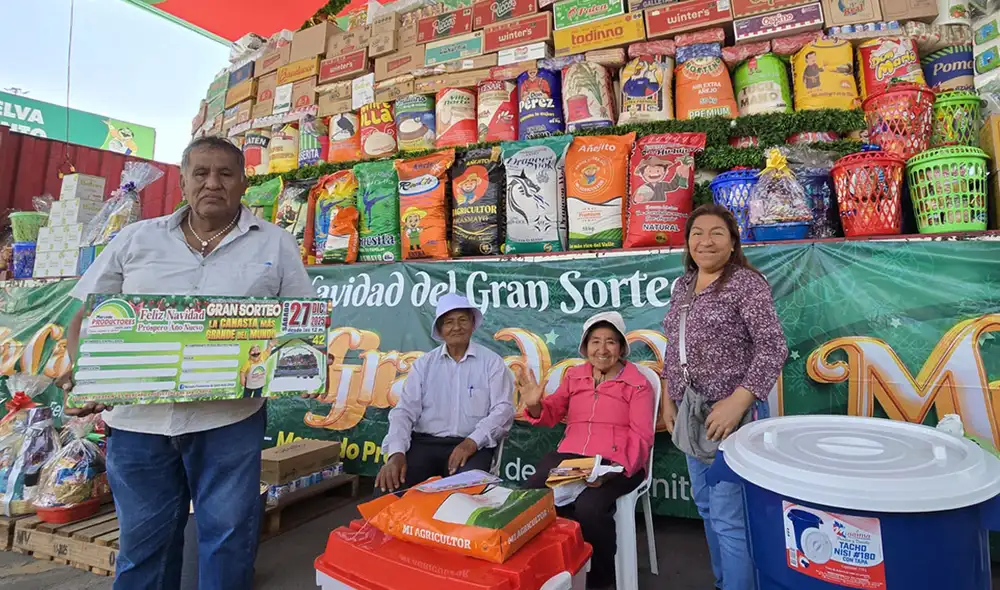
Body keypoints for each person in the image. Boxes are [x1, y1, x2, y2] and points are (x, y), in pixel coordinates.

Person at [59, 136, 316, 590]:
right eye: (201, 173)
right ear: (182, 181)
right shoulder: (137, 238)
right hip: (138, 427)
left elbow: (301, 325)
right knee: (142, 547)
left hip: (230, 424)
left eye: (225, 174)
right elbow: (85, 316)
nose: (212, 183)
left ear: (243, 182)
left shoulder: (275, 244)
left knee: (228, 538)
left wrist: (306, 366)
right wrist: (86, 376)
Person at [660, 204, 788, 590]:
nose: (706, 241)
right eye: (697, 233)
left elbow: (773, 347)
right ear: (687, 243)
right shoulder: (683, 285)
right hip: (690, 412)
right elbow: (673, 346)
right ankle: (722, 582)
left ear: (733, 242)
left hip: (732, 417)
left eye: (717, 232)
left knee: (731, 516)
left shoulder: (746, 284)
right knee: (706, 507)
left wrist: (738, 401)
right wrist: (669, 398)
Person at [519, 311, 655, 590]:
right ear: (585, 346)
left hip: (617, 462)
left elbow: (642, 437)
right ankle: (551, 569)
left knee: (590, 508)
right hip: (572, 456)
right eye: (595, 341)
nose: (602, 349)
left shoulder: (637, 383)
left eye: (610, 342)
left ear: (621, 348)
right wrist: (535, 405)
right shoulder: (575, 376)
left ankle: (599, 580)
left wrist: (612, 472)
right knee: (532, 495)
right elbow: (551, 413)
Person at [375, 293, 515, 494]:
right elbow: (404, 411)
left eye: (462, 320)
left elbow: (503, 410)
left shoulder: (491, 363)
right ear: (440, 330)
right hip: (425, 443)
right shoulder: (424, 364)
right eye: (449, 322)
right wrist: (396, 453)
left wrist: (471, 442)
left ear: (472, 323)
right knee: (387, 490)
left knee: (466, 496)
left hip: (473, 445)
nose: (456, 327)